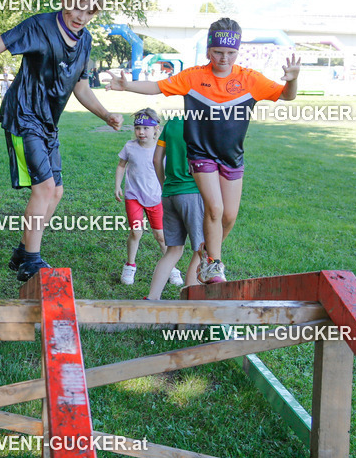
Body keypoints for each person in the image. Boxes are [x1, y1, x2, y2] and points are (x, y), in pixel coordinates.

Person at [0, 0, 124, 281]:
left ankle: (21, 252)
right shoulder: (39, 26)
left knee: (56, 192)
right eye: (77, 5)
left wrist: (105, 114)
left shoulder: (86, 41)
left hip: (47, 124)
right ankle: (31, 260)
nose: (81, 15)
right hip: (22, 116)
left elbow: (81, 88)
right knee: (43, 188)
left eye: (90, 10)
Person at [111, 18, 299, 283]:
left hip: (232, 157)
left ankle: (204, 252)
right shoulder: (194, 77)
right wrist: (126, 85)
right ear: (209, 49)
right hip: (201, 156)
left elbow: (286, 95)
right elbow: (157, 87)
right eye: (218, 52)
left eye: (230, 53)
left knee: (229, 217)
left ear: (238, 51)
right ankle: (213, 263)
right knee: (215, 208)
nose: (224, 58)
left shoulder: (250, 79)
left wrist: (293, 80)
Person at [147, 115, 205, 299]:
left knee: (173, 250)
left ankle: (152, 298)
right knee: (201, 250)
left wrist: (164, 184)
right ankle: (190, 302)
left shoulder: (172, 123)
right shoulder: (204, 123)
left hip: (170, 194)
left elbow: (157, 160)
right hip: (193, 192)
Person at [115, 108, 172, 287]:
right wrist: (117, 185)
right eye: (137, 128)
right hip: (134, 197)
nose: (141, 132)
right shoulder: (130, 147)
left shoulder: (162, 149)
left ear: (156, 129)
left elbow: (169, 171)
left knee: (161, 236)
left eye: (146, 128)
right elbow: (121, 165)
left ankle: (171, 268)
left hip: (156, 198)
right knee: (136, 232)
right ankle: (130, 266)